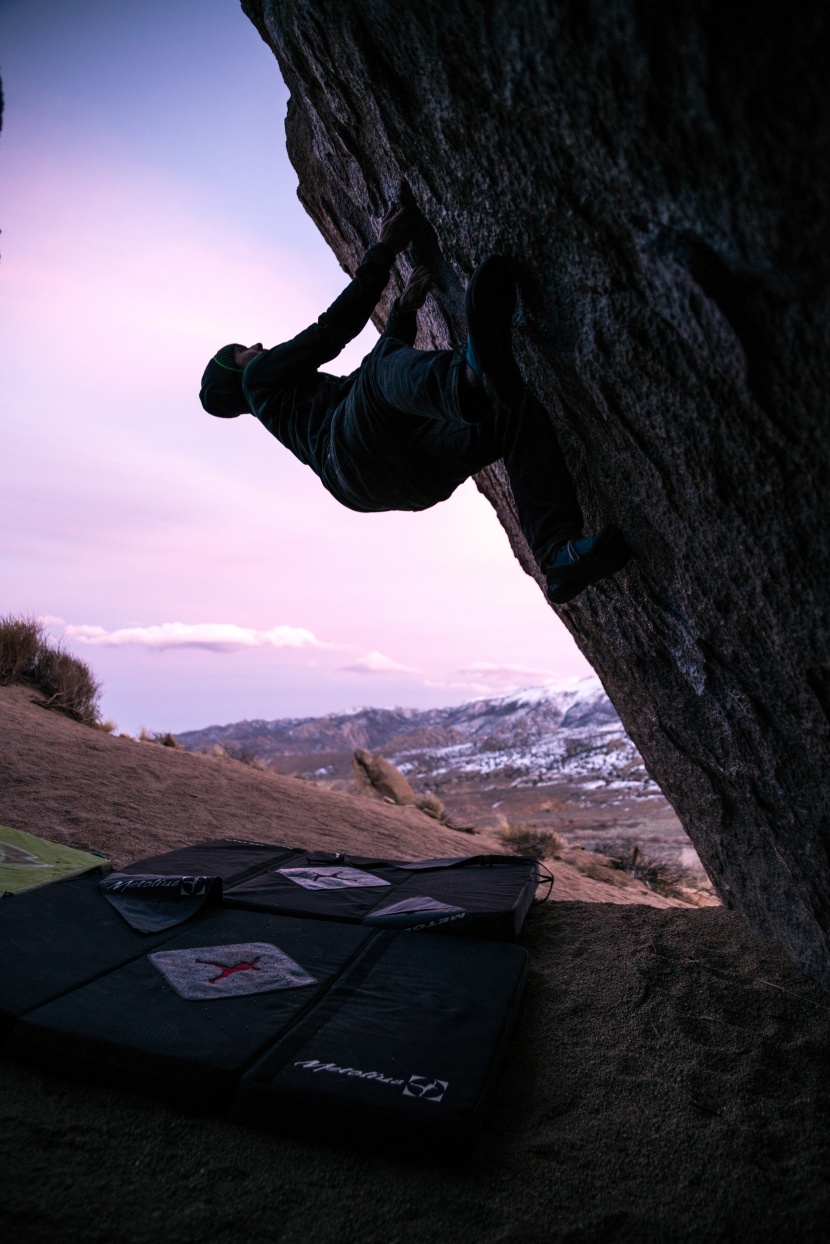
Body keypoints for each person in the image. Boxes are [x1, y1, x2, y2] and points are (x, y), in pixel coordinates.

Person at [199, 205, 630, 603]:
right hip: (351, 458)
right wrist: (383, 249)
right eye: (241, 350)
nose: (255, 345)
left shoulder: (290, 406)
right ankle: (464, 380)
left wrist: (403, 315)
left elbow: (359, 393)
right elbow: (331, 332)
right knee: (387, 376)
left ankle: (558, 553)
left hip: (399, 480)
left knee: (510, 412)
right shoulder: (259, 380)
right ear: (237, 375)